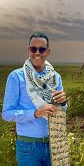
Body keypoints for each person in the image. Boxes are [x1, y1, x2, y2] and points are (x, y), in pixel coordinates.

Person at [2, 32, 68, 166]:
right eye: (33, 49)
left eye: (42, 49)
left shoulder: (55, 77)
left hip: (54, 143)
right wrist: (35, 113)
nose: (37, 53)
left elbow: (61, 110)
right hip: (28, 146)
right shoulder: (16, 77)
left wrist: (63, 102)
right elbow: (7, 113)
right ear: (28, 50)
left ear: (48, 52)